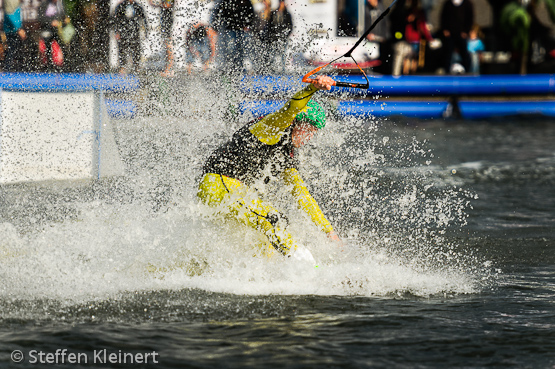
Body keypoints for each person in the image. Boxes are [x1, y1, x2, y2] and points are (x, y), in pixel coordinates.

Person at [197, 76, 341, 260]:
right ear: (296, 122)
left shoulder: (286, 153)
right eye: (308, 128)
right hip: (219, 186)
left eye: (314, 132)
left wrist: (329, 231)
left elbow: (301, 193)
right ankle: (312, 274)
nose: (309, 136)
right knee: (274, 220)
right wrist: (312, 89)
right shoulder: (272, 127)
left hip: (229, 193)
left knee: (263, 244)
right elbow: (291, 108)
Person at [212, 0, 256, 74]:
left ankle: (238, 69)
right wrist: (216, 26)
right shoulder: (226, 1)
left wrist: (249, 25)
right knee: (230, 49)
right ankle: (228, 68)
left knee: (240, 51)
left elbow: (251, 12)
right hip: (229, 29)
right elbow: (218, 12)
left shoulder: (245, 1)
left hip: (241, 29)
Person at [113, 0, 148, 74]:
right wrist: (117, 32)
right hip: (124, 32)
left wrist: (146, 32)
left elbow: (144, 19)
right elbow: (116, 20)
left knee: (136, 50)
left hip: (135, 32)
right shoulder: (121, 6)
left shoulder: (137, 6)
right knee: (122, 50)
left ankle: (136, 67)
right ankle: (123, 67)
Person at [440, 0, 474, 74]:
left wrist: (466, 31)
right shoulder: (448, 4)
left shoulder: (467, 4)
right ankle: (446, 71)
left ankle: (468, 71)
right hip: (450, 34)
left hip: (462, 34)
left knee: (465, 53)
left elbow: (470, 19)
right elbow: (443, 17)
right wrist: (445, 29)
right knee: (447, 54)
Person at [262, 0, 293, 73]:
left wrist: (285, 35)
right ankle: (270, 70)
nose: (281, 5)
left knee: (283, 55)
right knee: (271, 55)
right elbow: (270, 26)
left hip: (283, 38)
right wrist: (272, 36)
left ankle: (283, 70)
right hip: (273, 39)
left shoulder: (287, 14)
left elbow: (290, 26)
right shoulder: (273, 13)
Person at [38, 0, 66, 71]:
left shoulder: (61, 4)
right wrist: (50, 22)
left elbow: (63, 16)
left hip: (58, 32)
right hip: (46, 31)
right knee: (47, 51)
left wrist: (62, 22)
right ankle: (48, 68)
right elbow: (40, 18)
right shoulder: (44, 4)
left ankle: (62, 68)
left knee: (62, 49)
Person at [2, 0, 27, 72]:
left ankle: (18, 70)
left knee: (17, 51)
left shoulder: (16, 3)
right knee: (12, 51)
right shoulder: (11, 2)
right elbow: (10, 15)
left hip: (16, 29)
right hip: (11, 30)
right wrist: (18, 29)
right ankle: (8, 71)